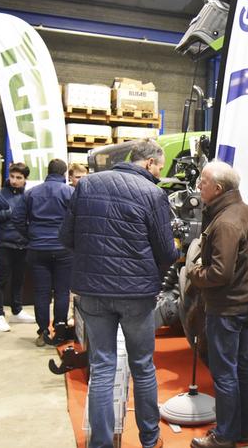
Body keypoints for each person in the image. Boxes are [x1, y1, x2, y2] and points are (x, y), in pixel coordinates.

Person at [59, 138, 178, 448]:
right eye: (160, 168)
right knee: (142, 365)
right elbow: (167, 253)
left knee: (101, 366)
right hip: (136, 294)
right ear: (150, 163)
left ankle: (100, 443)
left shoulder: (87, 184)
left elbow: (66, 237)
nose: (159, 174)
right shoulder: (153, 193)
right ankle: (150, 439)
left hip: (92, 291)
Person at [188, 161, 248, 448]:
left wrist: (193, 273)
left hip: (227, 309)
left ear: (218, 189)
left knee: (225, 374)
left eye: (203, 182)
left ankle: (225, 435)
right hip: (245, 304)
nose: (198, 186)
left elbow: (220, 273)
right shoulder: (245, 212)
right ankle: (241, 430)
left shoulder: (226, 222)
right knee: (241, 369)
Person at [21, 158, 73, 346]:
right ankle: (60, 330)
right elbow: (77, 219)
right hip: (63, 249)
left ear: (47, 172)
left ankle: (43, 332)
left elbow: (19, 219)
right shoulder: (70, 192)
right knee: (62, 292)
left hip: (37, 248)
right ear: (64, 174)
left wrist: (30, 236)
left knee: (41, 292)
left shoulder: (31, 193)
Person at [0, 162, 35, 332]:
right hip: (4, 244)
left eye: (19, 178)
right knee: (1, 280)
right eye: (12, 176)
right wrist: (7, 213)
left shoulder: (28, 196)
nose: (14, 180)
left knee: (19, 279)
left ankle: (17, 310)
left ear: (25, 179)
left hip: (23, 245)